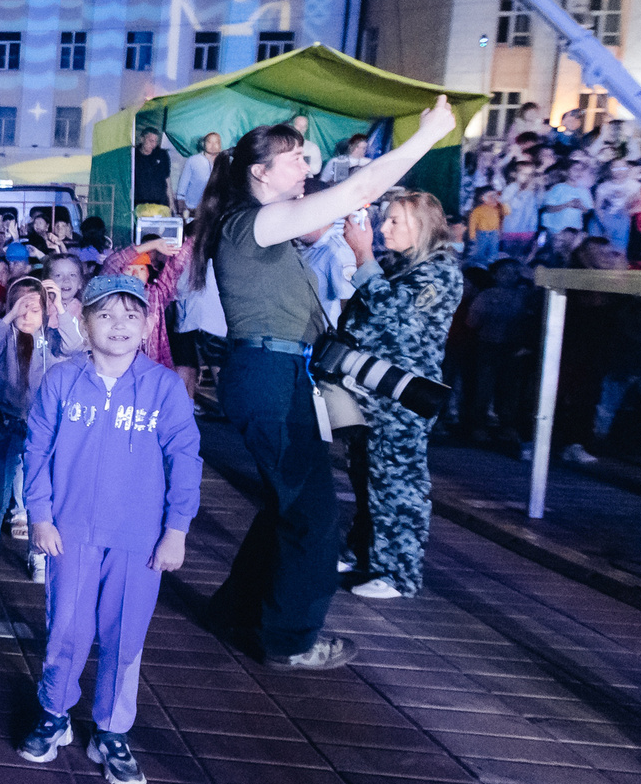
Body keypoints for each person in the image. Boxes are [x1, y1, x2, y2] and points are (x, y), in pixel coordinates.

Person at [184, 95, 457, 671]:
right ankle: (290, 639)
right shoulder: (251, 222)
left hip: (276, 373)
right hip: (271, 376)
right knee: (312, 516)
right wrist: (425, 136)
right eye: (295, 160)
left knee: (290, 506)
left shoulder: (256, 225)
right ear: (260, 172)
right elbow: (356, 193)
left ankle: (236, 611)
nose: (307, 168)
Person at [18, 274, 202, 784]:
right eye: (105, 314)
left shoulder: (164, 387)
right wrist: (40, 514)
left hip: (138, 538)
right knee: (66, 628)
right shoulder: (62, 380)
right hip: (71, 531)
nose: (118, 325)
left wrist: (177, 529)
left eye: (130, 315)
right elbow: (38, 451)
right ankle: (54, 714)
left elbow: (185, 458)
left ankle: (111, 730)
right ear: (83, 322)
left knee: (124, 636)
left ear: (147, 325)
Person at [336, 191, 461, 600]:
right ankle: (364, 553)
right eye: (384, 220)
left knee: (399, 485)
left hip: (403, 398)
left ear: (422, 228)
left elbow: (397, 317)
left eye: (394, 223)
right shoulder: (400, 265)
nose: (383, 229)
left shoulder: (440, 271)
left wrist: (362, 256)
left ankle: (398, 573)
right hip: (371, 393)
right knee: (368, 477)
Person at [0, 277, 65, 582]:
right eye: (20, 309)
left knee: (39, 493)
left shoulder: (52, 338)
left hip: (43, 429)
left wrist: (58, 308)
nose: (27, 316)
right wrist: (9, 317)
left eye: (34, 309)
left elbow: (77, 345)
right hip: (6, 424)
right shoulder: (5, 335)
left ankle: (37, 555)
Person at [176, 131, 222, 212]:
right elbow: (182, 186)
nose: (213, 146)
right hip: (191, 208)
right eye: (209, 142)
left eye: (216, 142)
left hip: (213, 211)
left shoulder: (223, 163)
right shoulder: (193, 160)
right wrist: (181, 207)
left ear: (220, 145)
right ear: (203, 144)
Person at [133, 126, 174, 215]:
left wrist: (171, 203)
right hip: (140, 204)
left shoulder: (162, 155)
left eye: (156, 141)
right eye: (151, 141)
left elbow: (167, 179)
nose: (154, 144)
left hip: (161, 203)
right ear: (142, 139)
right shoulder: (134, 155)